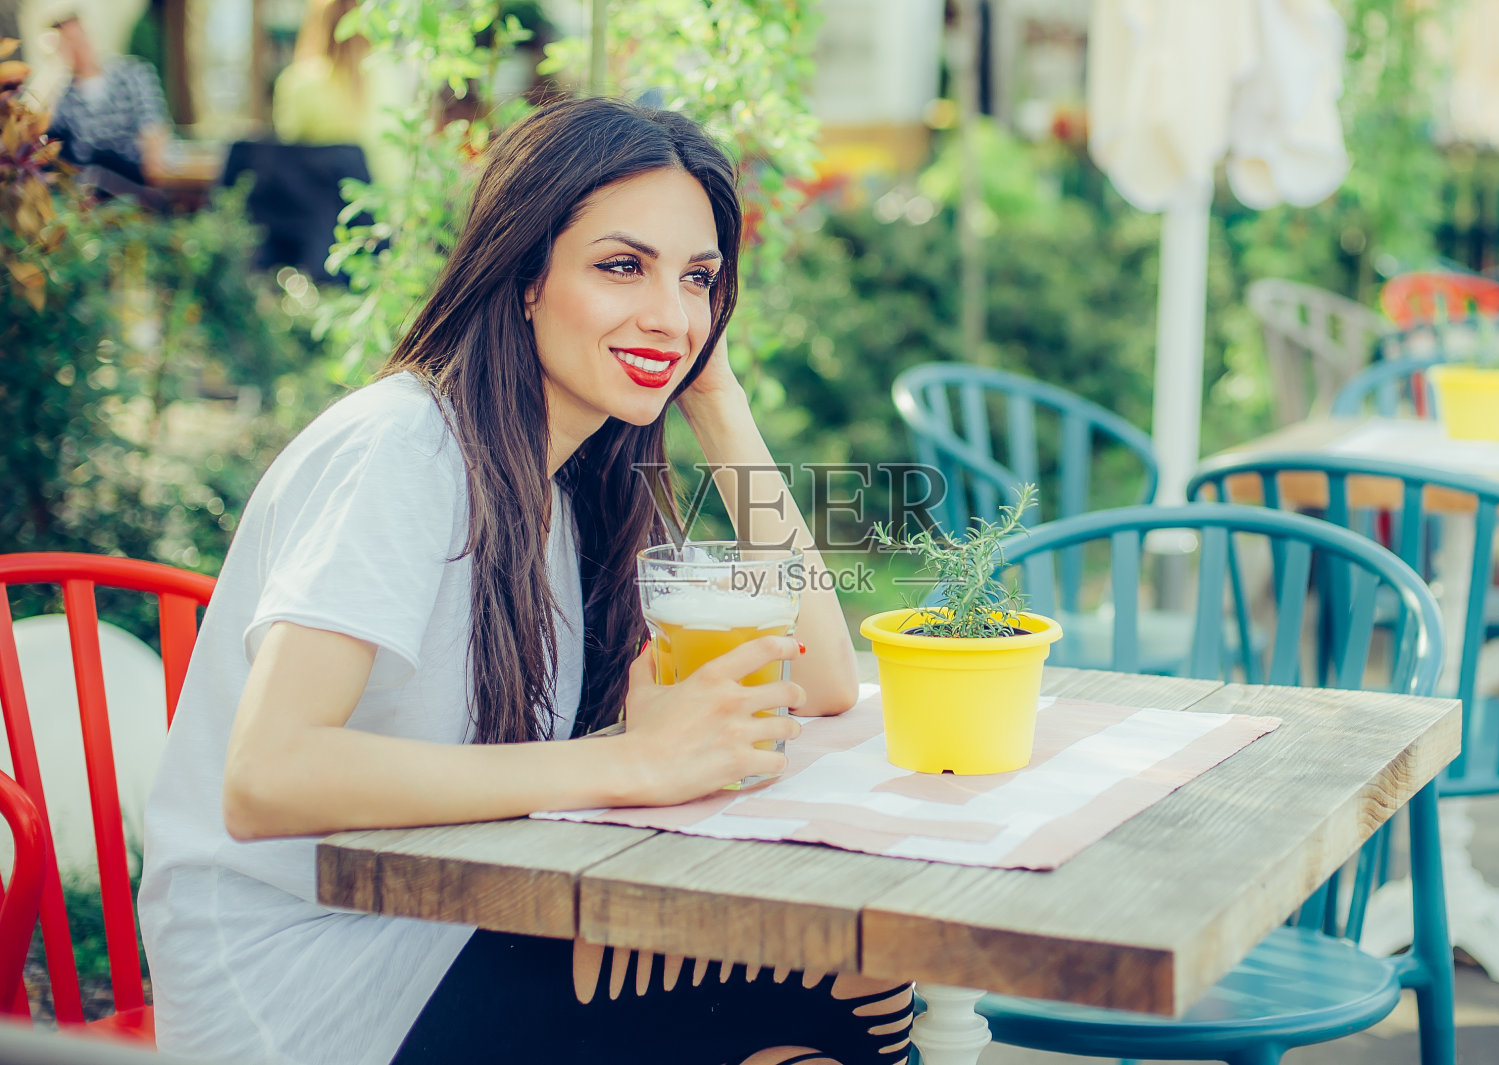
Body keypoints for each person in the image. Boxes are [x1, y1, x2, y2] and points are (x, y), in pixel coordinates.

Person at [136, 97, 912, 1065]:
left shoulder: (581, 479)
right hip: (315, 980)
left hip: (463, 921)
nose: (669, 314)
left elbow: (823, 680)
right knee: (825, 978)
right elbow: (267, 777)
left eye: (698, 280)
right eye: (621, 266)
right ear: (524, 275)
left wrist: (717, 398)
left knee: (852, 980)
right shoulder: (405, 449)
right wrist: (627, 762)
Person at [271, 0, 407, 187]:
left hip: (319, 206)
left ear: (316, 23)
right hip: (379, 206)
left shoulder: (299, 81)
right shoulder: (388, 76)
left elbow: (289, 150)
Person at [42, 8, 168, 185]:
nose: (77, 47)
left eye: (79, 38)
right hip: (94, 183)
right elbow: (49, 139)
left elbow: (152, 124)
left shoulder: (134, 72)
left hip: (136, 172)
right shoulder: (65, 100)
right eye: (68, 42)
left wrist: (154, 171)